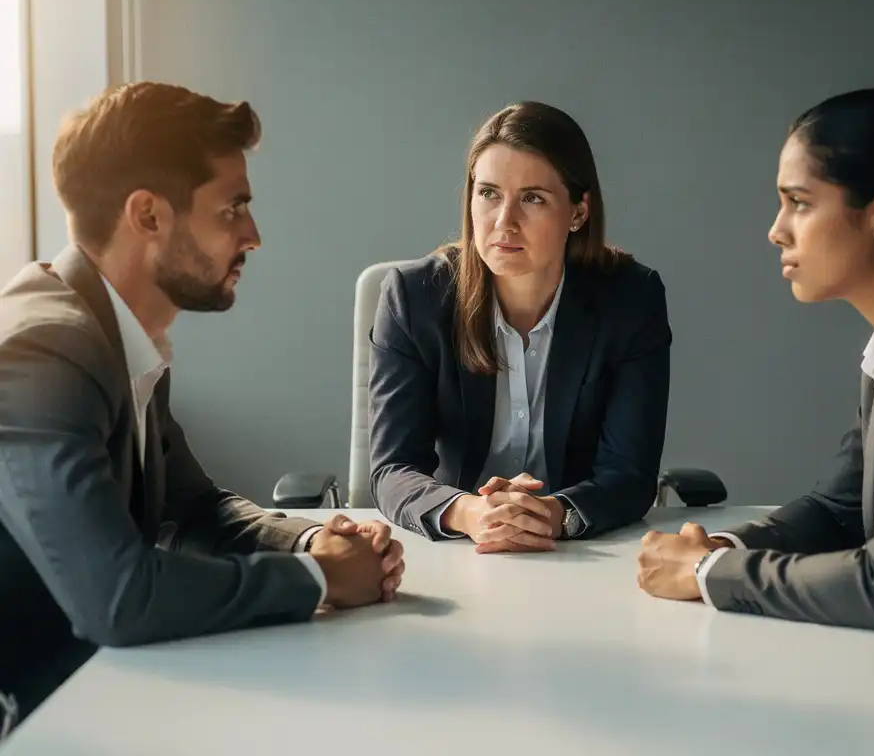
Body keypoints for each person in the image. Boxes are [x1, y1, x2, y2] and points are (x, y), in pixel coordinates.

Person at [0, 82, 405, 721]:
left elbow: (195, 507)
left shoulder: (118, 336)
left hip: (93, 687)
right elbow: (119, 597)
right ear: (149, 215)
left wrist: (312, 543)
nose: (253, 234)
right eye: (231, 208)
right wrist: (321, 581)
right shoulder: (43, 353)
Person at [637, 87, 874, 700]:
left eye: (799, 203)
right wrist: (726, 544)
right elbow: (838, 508)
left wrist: (709, 573)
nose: (775, 231)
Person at [369, 101, 672, 552]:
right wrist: (470, 512)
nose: (504, 222)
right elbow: (393, 469)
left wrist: (556, 513)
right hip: (460, 546)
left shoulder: (630, 299)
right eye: (488, 193)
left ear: (577, 212)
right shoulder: (414, 298)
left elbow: (629, 472)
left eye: (532, 198)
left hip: (580, 551)